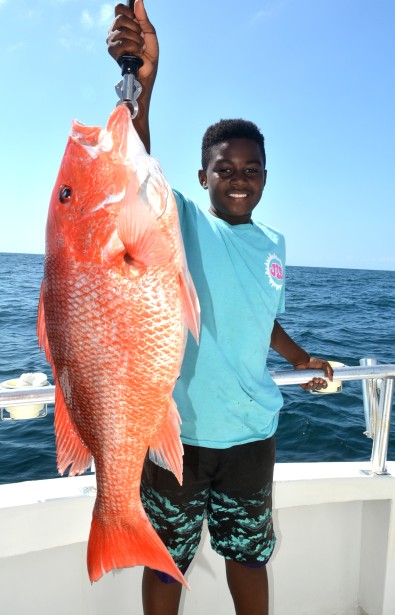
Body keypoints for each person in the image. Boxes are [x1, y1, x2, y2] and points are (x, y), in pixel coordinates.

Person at [107, 3, 333, 614]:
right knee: (165, 564)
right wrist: (142, 83)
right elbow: (134, 165)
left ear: (266, 177)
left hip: (252, 436)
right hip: (176, 436)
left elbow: (264, 315)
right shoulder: (179, 219)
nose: (239, 178)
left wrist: (299, 353)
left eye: (251, 169)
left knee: (249, 556)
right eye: (224, 169)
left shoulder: (274, 244)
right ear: (201, 177)